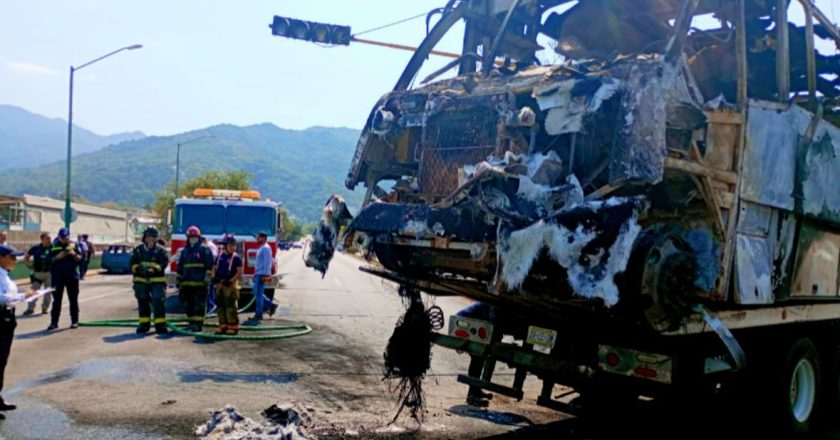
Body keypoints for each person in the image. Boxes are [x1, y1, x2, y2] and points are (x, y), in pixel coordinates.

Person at [0, 244, 37, 418]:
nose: (15, 260)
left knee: (2, 361)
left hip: (7, 319)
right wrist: (23, 296)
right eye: (12, 257)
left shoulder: (5, 274)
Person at [130, 227, 170, 335]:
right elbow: (132, 263)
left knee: (158, 302)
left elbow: (164, 262)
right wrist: (138, 269)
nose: (151, 239)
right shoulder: (138, 250)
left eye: (153, 237)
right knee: (143, 302)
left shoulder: (161, 250)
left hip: (157, 281)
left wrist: (154, 269)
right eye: (149, 237)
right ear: (145, 238)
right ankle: (144, 325)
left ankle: (160, 326)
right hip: (141, 281)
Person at [177, 226, 214, 332]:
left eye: (194, 236)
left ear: (199, 237)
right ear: (188, 238)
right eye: (191, 236)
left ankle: (198, 325)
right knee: (189, 305)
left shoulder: (204, 249)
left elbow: (209, 266)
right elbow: (180, 267)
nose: (193, 238)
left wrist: (207, 279)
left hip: (200, 284)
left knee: (199, 305)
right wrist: (179, 280)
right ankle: (191, 323)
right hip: (187, 284)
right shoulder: (185, 251)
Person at [47, 228, 82, 331]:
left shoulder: (74, 245)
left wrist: (73, 254)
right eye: (62, 238)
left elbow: (80, 259)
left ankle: (74, 321)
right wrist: (60, 256)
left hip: (71, 275)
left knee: (73, 300)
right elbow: (49, 260)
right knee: (57, 300)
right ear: (58, 236)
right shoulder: (53, 246)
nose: (64, 240)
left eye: (66, 238)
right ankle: (54, 323)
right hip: (58, 276)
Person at [211, 235, 242, 335]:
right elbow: (214, 268)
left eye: (234, 245)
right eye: (231, 245)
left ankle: (232, 326)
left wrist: (230, 281)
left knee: (230, 306)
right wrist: (214, 277)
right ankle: (222, 325)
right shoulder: (220, 256)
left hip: (230, 285)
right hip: (220, 284)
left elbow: (239, 272)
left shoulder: (236, 258)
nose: (233, 247)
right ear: (225, 246)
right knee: (220, 305)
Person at [23, 232, 52, 315]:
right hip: (38, 273)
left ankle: (45, 308)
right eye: (48, 238)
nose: (50, 240)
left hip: (49, 273)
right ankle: (30, 309)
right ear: (42, 239)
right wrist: (28, 264)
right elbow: (27, 256)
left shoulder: (53, 248)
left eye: (50, 238)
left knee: (48, 292)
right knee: (33, 291)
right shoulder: (35, 248)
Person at [250, 232, 273, 321]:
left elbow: (268, 262)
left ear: (263, 238)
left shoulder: (266, 248)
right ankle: (271, 305)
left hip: (262, 274)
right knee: (256, 292)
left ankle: (259, 314)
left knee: (258, 294)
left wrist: (266, 275)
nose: (257, 239)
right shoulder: (261, 248)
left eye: (258, 237)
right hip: (258, 273)